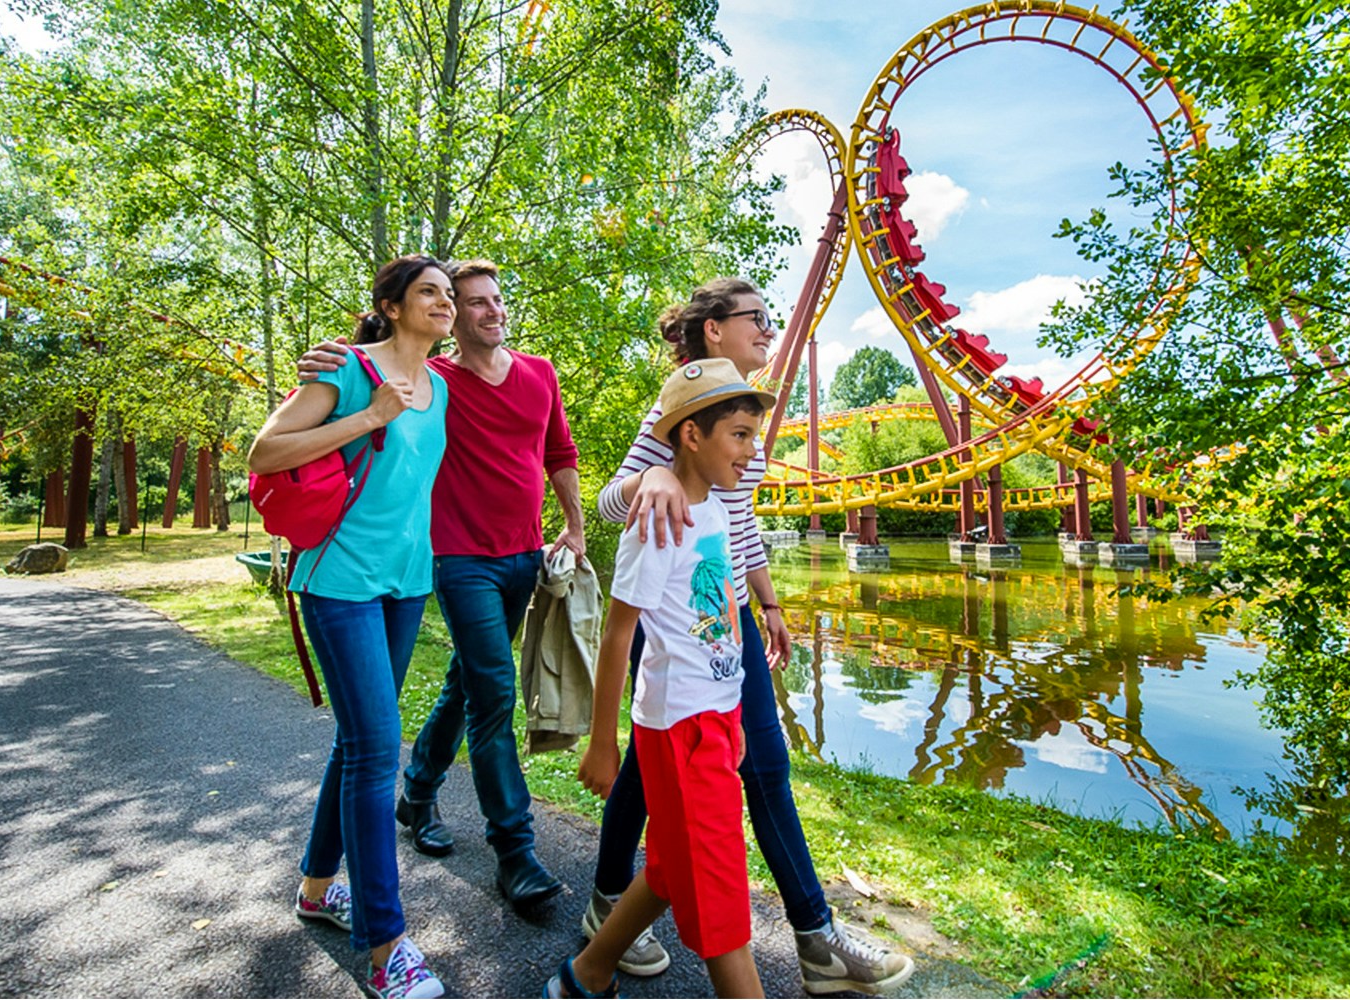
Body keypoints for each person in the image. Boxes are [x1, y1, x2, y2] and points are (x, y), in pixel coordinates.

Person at [587, 278, 915, 995]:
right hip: (678, 611)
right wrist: (648, 484)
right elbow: (613, 501)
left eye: (770, 321)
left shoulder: (741, 418)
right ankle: (814, 936)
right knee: (748, 767)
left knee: (664, 774)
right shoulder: (684, 406)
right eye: (756, 320)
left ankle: (609, 915)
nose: (768, 331)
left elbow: (738, 525)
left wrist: (768, 604)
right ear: (713, 331)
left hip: (729, 610)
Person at [300, 259, 584, 909]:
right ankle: (515, 851)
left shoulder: (539, 374)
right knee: (495, 692)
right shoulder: (437, 379)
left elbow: (559, 454)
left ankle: (418, 789)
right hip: (457, 560)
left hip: (524, 556)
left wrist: (574, 527)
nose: (491, 311)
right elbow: (379, 368)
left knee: (469, 680)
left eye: (496, 300)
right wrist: (329, 361)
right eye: (473, 301)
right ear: (454, 315)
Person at [249, 255, 453, 1000]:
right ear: (391, 306)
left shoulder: (441, 386)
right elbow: (264, 451)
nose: (445, 304)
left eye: (449, 296)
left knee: (356, 745)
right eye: (428, 292)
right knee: (374, 751)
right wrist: (366, 417)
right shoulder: (348, 369)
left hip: (406, 583)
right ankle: (384, 946)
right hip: (338, 582)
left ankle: (314, 889)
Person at [550, 358, 777, 1000]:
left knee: (676, 868)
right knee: (722, 900)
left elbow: (717, 613)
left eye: (753, 435)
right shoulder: (657, 523)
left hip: (716, 719)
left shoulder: (715, 512)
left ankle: (586, 975)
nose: (751, 449)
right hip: (680, 728)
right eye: (738, 434)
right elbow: (618, 634)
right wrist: (601, 741)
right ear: (691, 436)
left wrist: (736, 703)